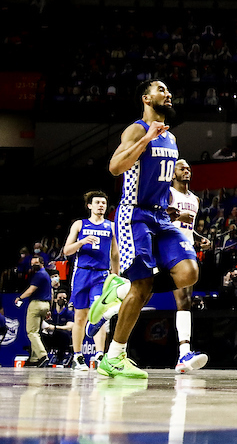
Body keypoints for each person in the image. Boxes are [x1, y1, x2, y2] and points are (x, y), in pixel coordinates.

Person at [87, 79, 198, 379]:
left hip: (161, 216)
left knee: (189, 272)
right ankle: (113, 357)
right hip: (133, 215)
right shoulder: (136, 129)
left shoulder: (172, 139)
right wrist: (147, 137)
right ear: (146, 98)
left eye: (169, 91)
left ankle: (119, 288)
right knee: (143, 286)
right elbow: (114, 167)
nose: (168, 94)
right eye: (162, 90)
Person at [62, 190, 114, 370]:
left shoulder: (111, 226)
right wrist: (82, 242)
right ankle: (77, 356)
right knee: (80, 317)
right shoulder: (79, 224)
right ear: (89, 205)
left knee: (98, 315)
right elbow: (66, 251)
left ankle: (100, 355)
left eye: (104, 203)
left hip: (101, 275)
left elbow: (115, 253)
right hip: (82, 274)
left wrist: (116, 274)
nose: (101, 205)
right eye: (98, 202)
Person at [168, 159, 209, 373]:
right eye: (182, 168)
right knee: (140, 294)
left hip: (186, 248)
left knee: (185, 300)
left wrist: (199, 237)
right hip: (166, 246)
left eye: (188, 168)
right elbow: (155, 216)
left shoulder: (195, 199)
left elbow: (187, 226)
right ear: (172, 173)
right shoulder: (167, 193)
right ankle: (108, 313)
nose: (186, 171)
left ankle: (184, 353)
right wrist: (176, 214)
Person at [14, 253, 53, 367]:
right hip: (45, 304)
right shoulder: (46, 275)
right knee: (37, 332)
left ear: (41, 263)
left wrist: (20, 297)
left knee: (32, 332)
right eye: (32, 264)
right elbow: (50, 292)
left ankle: (42, 356)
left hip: (36, 304)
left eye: (35, 263)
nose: (33, 265)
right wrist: (49, 308)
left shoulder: (39, 275)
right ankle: (35, 358)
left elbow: (31, 290)